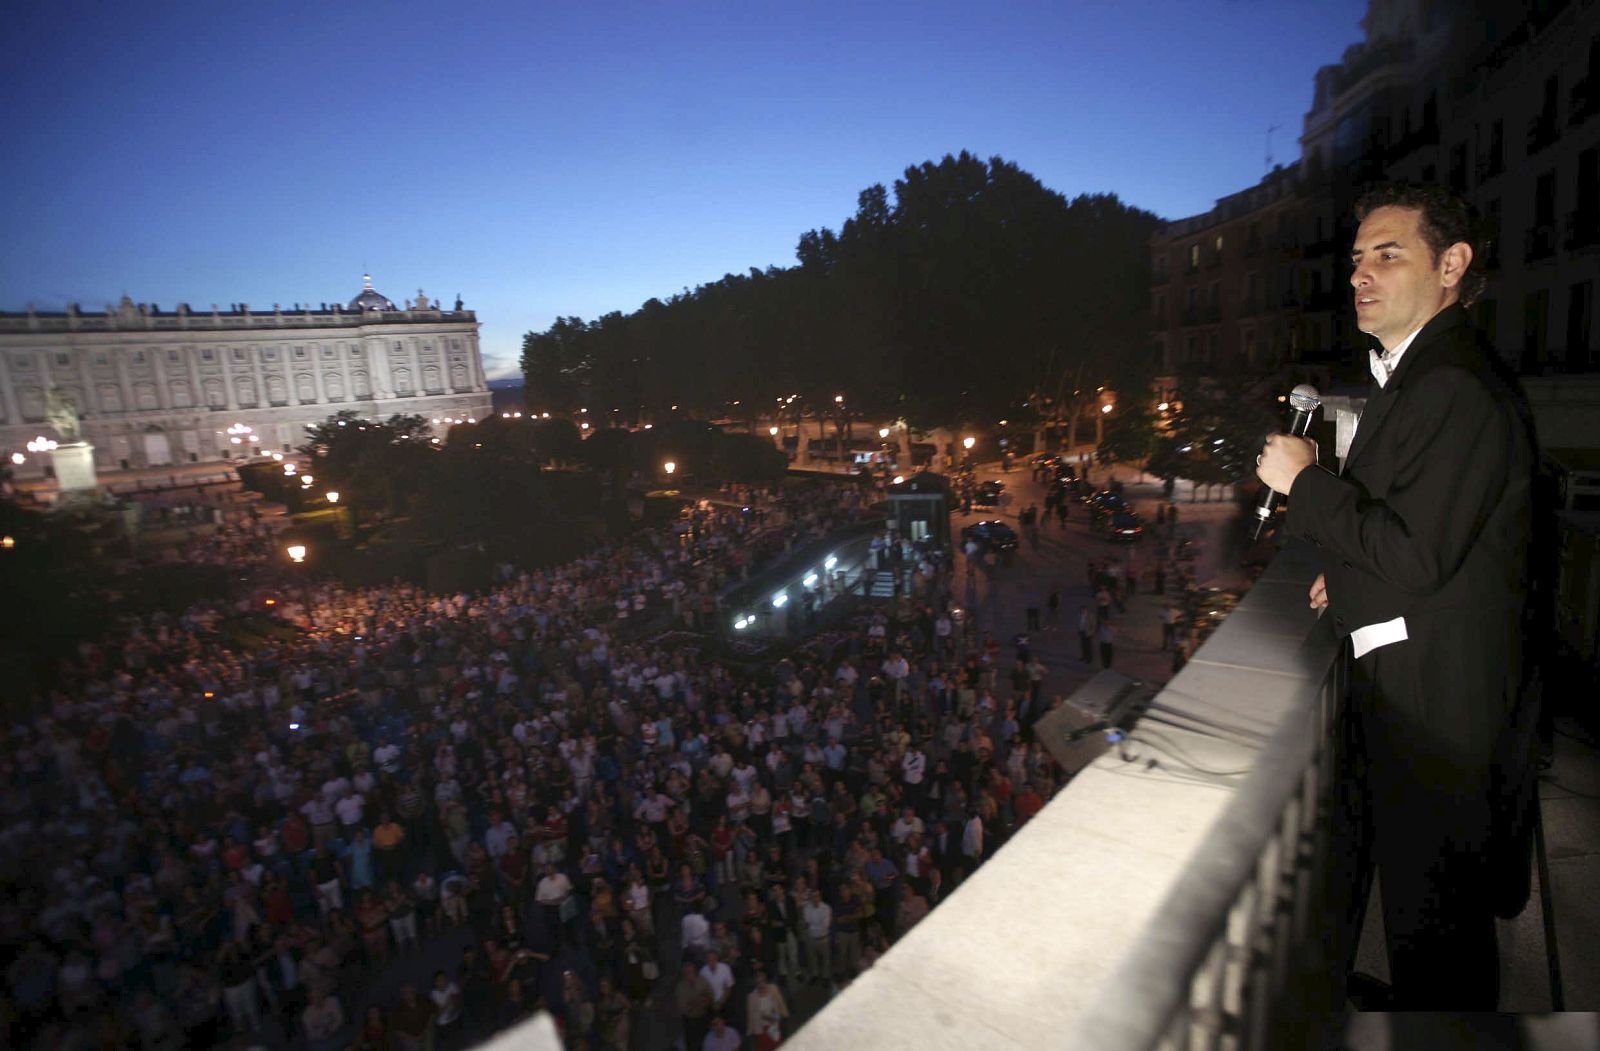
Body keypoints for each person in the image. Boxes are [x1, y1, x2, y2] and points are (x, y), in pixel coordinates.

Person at [1256, 183, 1535, 1010]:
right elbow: (1421, 529)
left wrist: (1305, 486)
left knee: (1437, 923)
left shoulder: (1453, 386)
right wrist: (1341, 575)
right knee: (1422, 912)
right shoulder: (1425, 376)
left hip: (1439, 715)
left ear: (1452, 266)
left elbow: (1414, 552)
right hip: (1425, 700)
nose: (1360, 276)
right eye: (1355, 261)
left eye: (1389, 254)